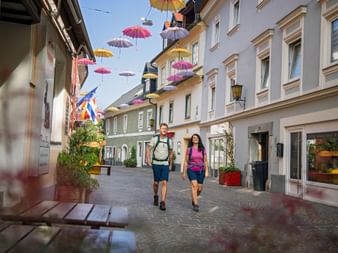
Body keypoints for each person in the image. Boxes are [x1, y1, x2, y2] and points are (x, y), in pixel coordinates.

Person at [146, 123, 173, 211]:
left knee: (164, 182)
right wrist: (148, 160)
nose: (164, 130)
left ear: (167, 130)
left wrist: (170, 164)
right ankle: (155, 195)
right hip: (156, 163)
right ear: (160, 130)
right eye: (162, 128)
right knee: (156, 183)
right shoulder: (155, 139)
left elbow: (171, 152)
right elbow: (148, 149)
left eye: (166, 128)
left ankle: (162, 202)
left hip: (165, 163)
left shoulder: (169, 141)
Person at [182, 134, 208, 212]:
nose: (195, 139)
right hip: (191, 169)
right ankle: (196, 204)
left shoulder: (203, 149)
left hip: (201, 170)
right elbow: (186, 161)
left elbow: (205, 161)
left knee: (199, 188)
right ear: (192, 140)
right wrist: (184, 172)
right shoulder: (189, 149)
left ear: (199, 139)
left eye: (197, 138)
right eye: (194, 138)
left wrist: (206, 171)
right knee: (194, 185)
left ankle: (194, 197)